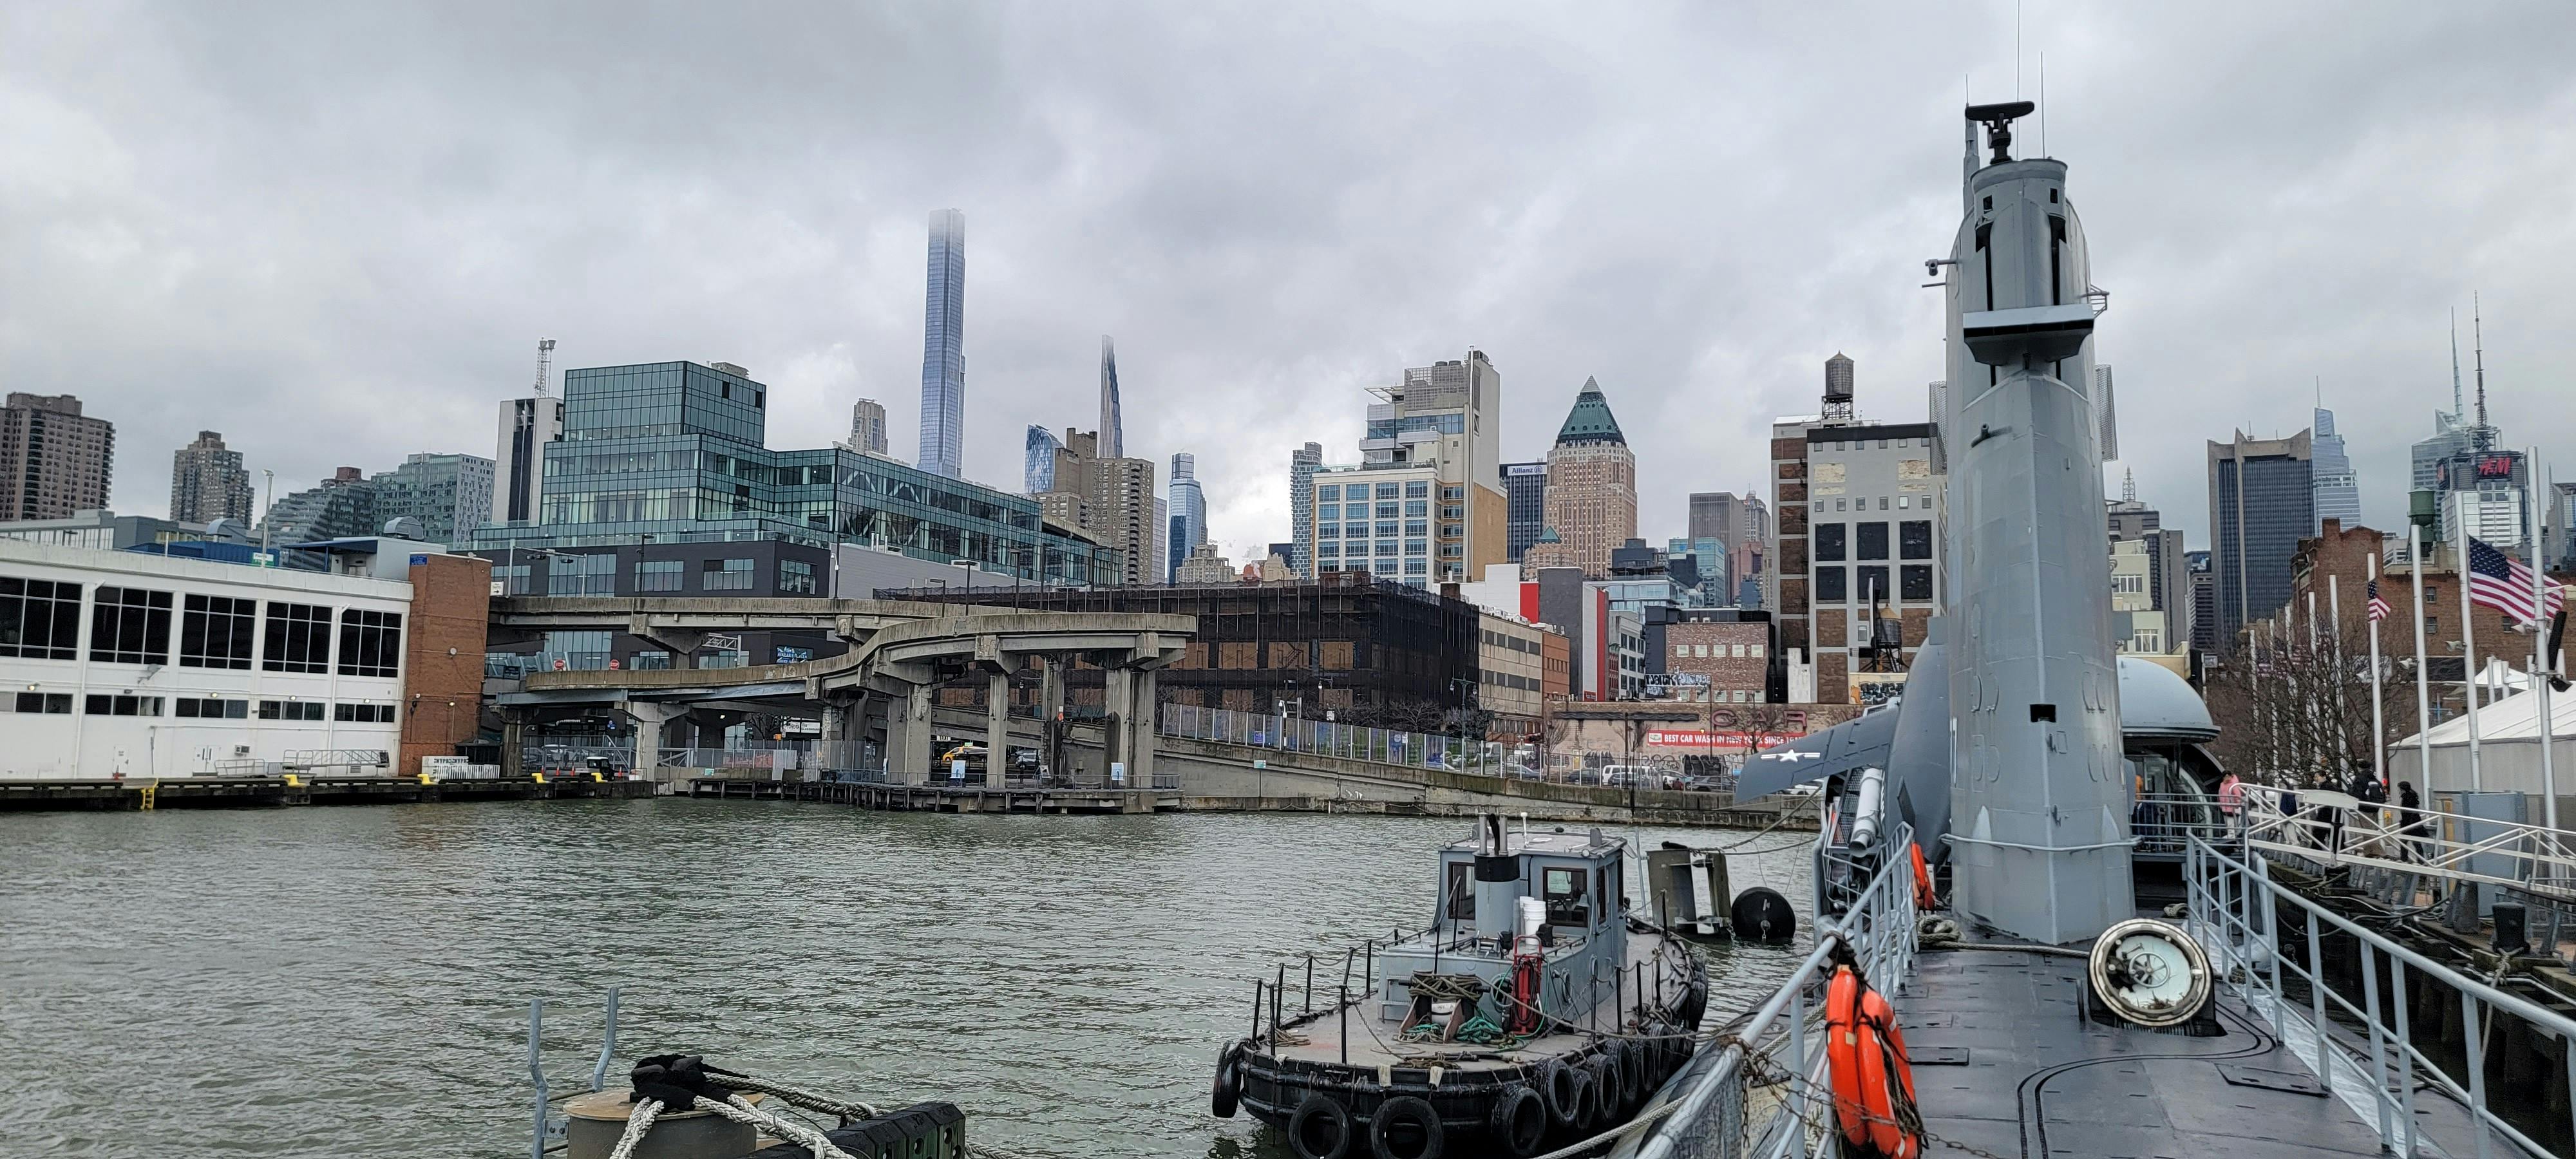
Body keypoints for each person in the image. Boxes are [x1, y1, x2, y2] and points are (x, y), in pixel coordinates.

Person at [2217, 771, 2246, 840]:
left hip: (2232, 806)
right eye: (2226, 777)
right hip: (2225, 806)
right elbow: (2220, 794)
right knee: (2228, 821)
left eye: (2228, 776)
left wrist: (2237, 804)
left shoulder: (2233, 785)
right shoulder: (2222, 784)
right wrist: (2220, 803)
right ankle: (2233, 834)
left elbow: (2237, 795)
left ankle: (2232, 835)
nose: (2227, 778)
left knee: (2232, 821)